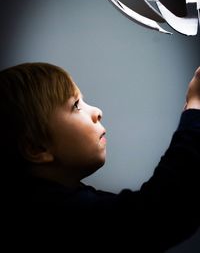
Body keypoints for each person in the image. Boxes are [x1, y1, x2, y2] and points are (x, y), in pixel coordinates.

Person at [1, 62, 200, 252]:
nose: (97, 112)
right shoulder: (51, 214)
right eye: (76, 105)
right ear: (36, 148)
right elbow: (160, 215)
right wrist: (195, 111)